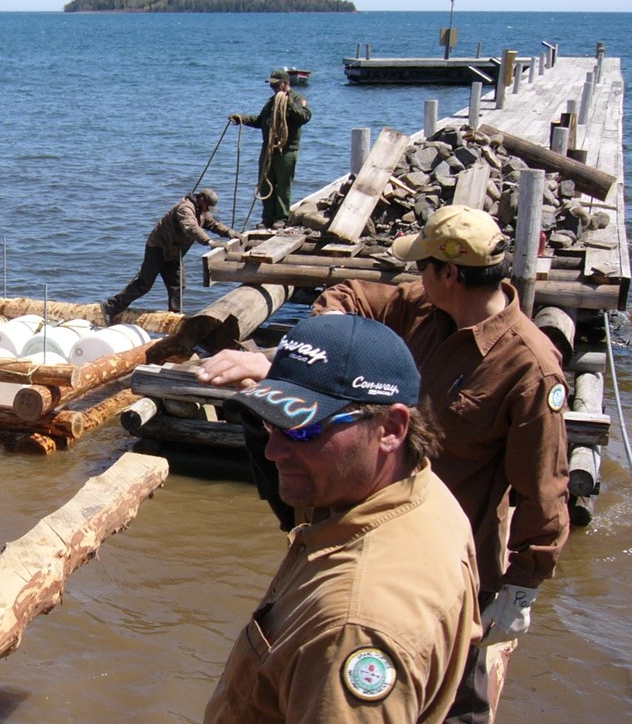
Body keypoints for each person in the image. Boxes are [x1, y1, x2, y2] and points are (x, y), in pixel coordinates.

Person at [198, 205, 569, 722]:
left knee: (460, 692)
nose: (412, 276)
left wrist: (524, 583)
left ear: (450, 274)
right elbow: (350, 295)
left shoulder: (529, 366)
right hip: (369, 512)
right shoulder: (424, 308)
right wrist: (309, 364)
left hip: (447, 552)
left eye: (423, 266)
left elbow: (543, 485)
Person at [203, 313, 480, 723]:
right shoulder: (422, 491)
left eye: (304, 430)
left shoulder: (352, 628)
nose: (273, 450)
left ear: (391, 428)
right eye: (271, 421)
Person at [100, 188, 236, 320]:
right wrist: (210, 242)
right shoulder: (185, 209)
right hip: (158, 249)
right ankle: (110, 307)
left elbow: (212, 224)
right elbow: (191, 228)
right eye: (208, 206)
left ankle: (173, 316)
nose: (208, 210)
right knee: (144, 284)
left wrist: (229, 232)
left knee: (178, 285)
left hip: (173, 253)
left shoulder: (201, 211)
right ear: (201, 199)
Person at [229, 69, 311, 228]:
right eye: (271, 85)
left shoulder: (297, 99)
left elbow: (304, 117)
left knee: (282, 184)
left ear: (286, 84)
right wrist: (242, 119)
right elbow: (261, 121)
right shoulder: (271, 101)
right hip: (268, 149)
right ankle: (267, 218)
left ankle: (281, 217)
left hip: (286, 150)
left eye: (276, 85)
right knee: (265, 184)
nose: (273, 88)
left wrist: (288, 103)